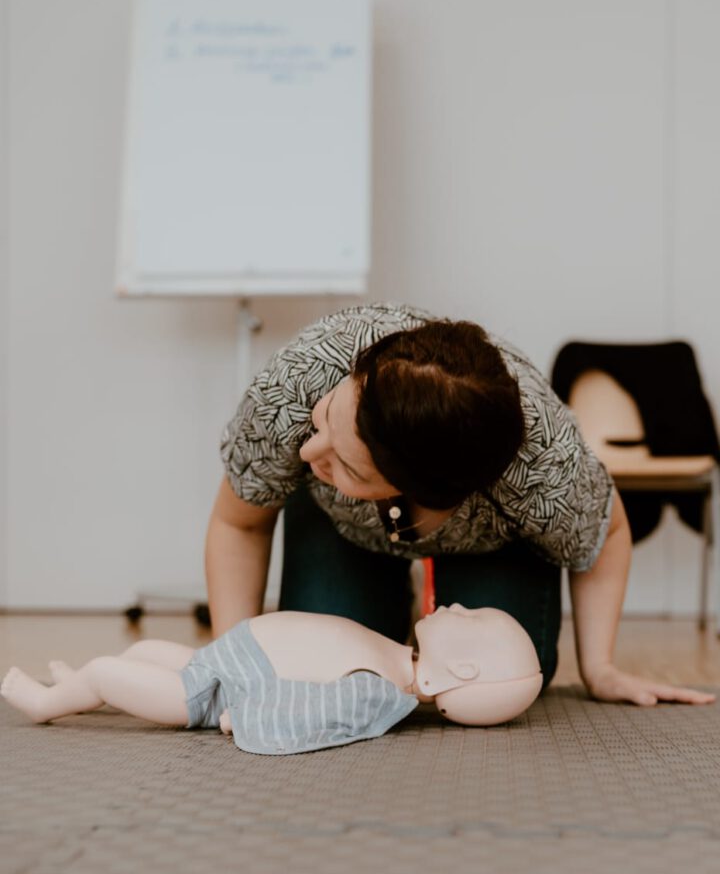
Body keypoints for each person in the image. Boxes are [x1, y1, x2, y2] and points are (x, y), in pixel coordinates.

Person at [206, 302, 715, 709]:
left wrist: (599, 669)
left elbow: (607, 532)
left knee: (500, 683)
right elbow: (240, 525)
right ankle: (384, 595)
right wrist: (234, 664)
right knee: (320, 677)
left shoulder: (542, 464)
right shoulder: (300, 377)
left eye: (350, 467)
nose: (308, 452)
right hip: (340, 527)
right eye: (323, 421)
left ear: (423, 490)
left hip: (490, 544)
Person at [0, 606, 545, 753]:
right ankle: (82, 695)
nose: (457, 606)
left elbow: (317, 716)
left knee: (105, 671)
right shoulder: (399, 660)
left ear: (464, 670)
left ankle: (49, 702)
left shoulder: (381, 692)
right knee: (142, 651)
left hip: (212, 693)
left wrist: (247, 718)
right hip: (220, 661)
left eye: (471, 617)